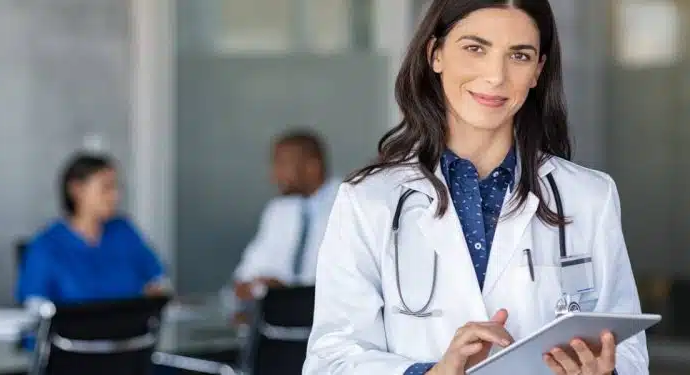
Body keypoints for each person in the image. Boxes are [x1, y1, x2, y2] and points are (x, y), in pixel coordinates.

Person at [303, 1, 647, 375]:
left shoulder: (590, 197)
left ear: (537, 71)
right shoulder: (368, 199)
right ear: (435, 54)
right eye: (475, 48)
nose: (496, 76)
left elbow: (627, 353)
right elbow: (330, 359)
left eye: (519, 55)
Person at [16, 153, 169, 311]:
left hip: (129, 332)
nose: (115, 196)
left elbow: (157, 280)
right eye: (106, 188)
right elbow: (35, 306)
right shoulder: (46, 246)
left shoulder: (124, 232)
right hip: (71, 334)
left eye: (116, 187)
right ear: (77, 189)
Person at [231, 130, 340, 300]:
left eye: (282, 165)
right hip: (278, 318)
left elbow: (343, 283)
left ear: (312, 167)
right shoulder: (278, 209)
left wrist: (288, 291)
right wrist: (257, 284)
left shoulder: (348, 206)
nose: (273, 177)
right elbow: (245, 276)